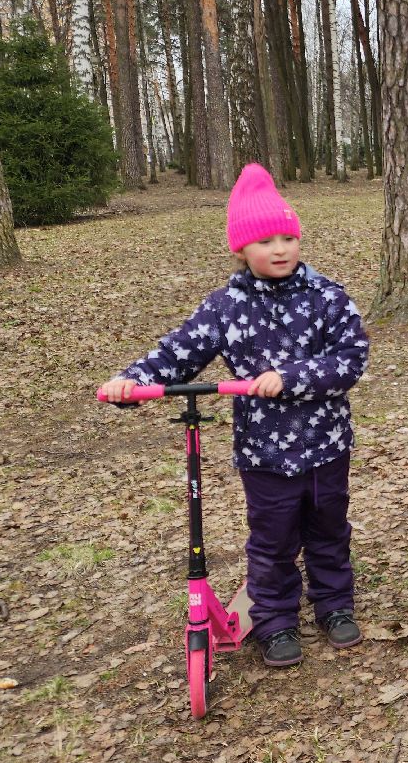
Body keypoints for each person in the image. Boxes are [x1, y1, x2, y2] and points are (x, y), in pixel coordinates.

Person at [100, 164, 370, 667]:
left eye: (288, 236)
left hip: (326, 444)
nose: (281, 248)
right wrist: (132, 380)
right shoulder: (226, 307)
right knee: (272, 539)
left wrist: (294, 375)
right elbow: (179, 352)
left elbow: (350, 358)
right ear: (241, 249)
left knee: (329, 529)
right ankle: (274, 619)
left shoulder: (327, 296)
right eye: (266, 239)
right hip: (263, 453)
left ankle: (334, 605)